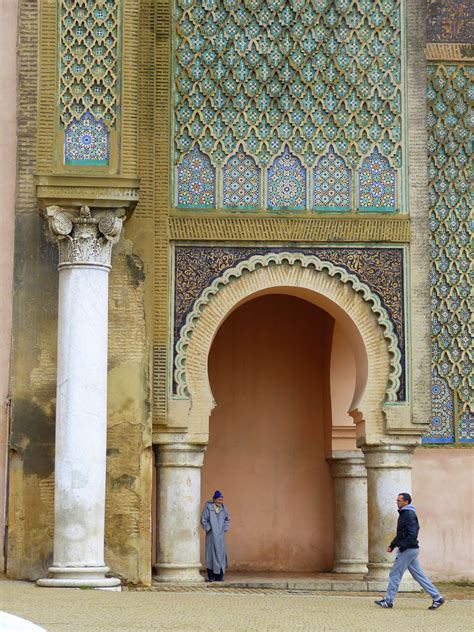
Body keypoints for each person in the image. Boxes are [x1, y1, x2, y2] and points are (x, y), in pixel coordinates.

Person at [375, 492, 444, 610]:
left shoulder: (408, 514)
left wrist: (402, 546)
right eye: (397, 500)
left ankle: (388, 601)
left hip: (408, 550)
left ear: (406, 502)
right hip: (411, 549)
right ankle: (437, 598)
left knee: (395, 574)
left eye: (399, 500)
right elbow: (402, 534)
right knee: (419, 576)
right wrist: (392, 545)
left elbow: (413, 533)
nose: (397, 502)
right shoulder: (404, 514)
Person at [201, 490, 230, 582]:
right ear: (214, 499)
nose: (220, 501)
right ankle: (211, 576)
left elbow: (227, 519)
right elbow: (204, 520)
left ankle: (220, 576)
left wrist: (224, 528)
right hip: (211, 537)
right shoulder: (208, 507)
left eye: (221, 499)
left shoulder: (224, 508)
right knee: (211, 556)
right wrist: (210, 528)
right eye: (218, 499)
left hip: (220, 537)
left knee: (220, 556)